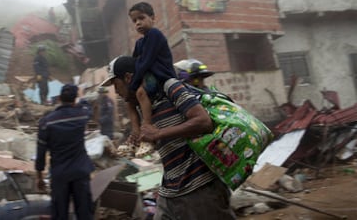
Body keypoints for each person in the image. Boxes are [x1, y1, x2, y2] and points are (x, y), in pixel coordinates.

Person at [101, 56, 236, 220]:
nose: (115, 92)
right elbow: (130, 102)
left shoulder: (169, 87)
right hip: (170, 191)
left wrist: (157, 134)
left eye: (116, 85)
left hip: (199, 187)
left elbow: (203, 122)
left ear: (128, 78)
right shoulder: (143, 105)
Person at [35, 84, 95, 220]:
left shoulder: (46, 122)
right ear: (75, 99)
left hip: (59, 175)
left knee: (59, 214)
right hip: (80, 173)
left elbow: (40, 152)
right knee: (84, 214)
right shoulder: (82, 115)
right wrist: (81, 99)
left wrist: (39, 176)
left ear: (59, 98)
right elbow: (88, 105)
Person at [127, 2, 177, 157]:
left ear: (153, 18)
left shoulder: (155, 35)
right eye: (134, 21)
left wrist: (133, 86)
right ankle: (134, 137)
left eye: (141, 18)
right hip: (149, 76)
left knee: (140, 92)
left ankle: (147, 127)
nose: (138, 23)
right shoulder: (139, 43)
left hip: (162, 76)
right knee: (129, 100)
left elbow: (145, 62)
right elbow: (135, 63)